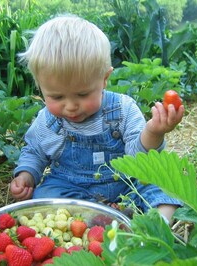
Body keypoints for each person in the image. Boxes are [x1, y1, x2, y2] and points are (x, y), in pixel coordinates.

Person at [10, 14, 184, 224]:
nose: (71, 106)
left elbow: (140, 158)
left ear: (104, 79)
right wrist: (26, 175)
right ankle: (100, 218)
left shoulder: (122, 109)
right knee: (43, 196)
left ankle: (156, 227)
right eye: (56, 97)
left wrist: (154, 132)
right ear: (40, 86)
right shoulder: (48, 121)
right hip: (73, 187)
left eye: (82, 95)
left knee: (165, 183)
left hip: (126, 184)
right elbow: (35, 152)